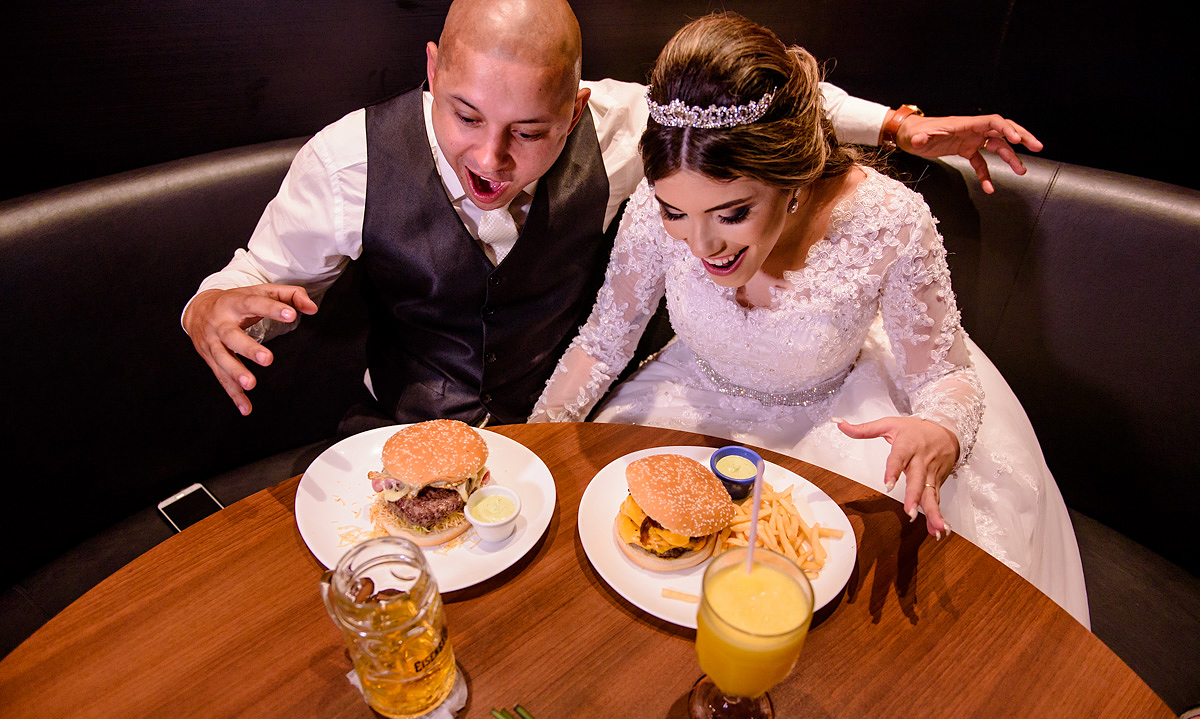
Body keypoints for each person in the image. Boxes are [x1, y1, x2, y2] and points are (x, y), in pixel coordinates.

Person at [181, 0, 1043, 430]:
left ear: (581, 105)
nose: (490, 159)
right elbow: (250, 278)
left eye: (530, 131)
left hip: (558, 431)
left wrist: (896, 126)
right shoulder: (347, 161)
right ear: (435, 69)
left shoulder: (634, 132)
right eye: (466, 116)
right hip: (395, 430)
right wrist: (213, 303)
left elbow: (762, 113)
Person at [529, 12, 1090, 628]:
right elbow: (603, 343)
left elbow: (944, 378)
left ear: (791, 182)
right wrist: (537, 445)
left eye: (733, 213)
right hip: (691, 408)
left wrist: (942, 431)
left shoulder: (888, 220)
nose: (701, 245)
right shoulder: (653, 204)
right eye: (675, 213)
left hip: (836, 424)